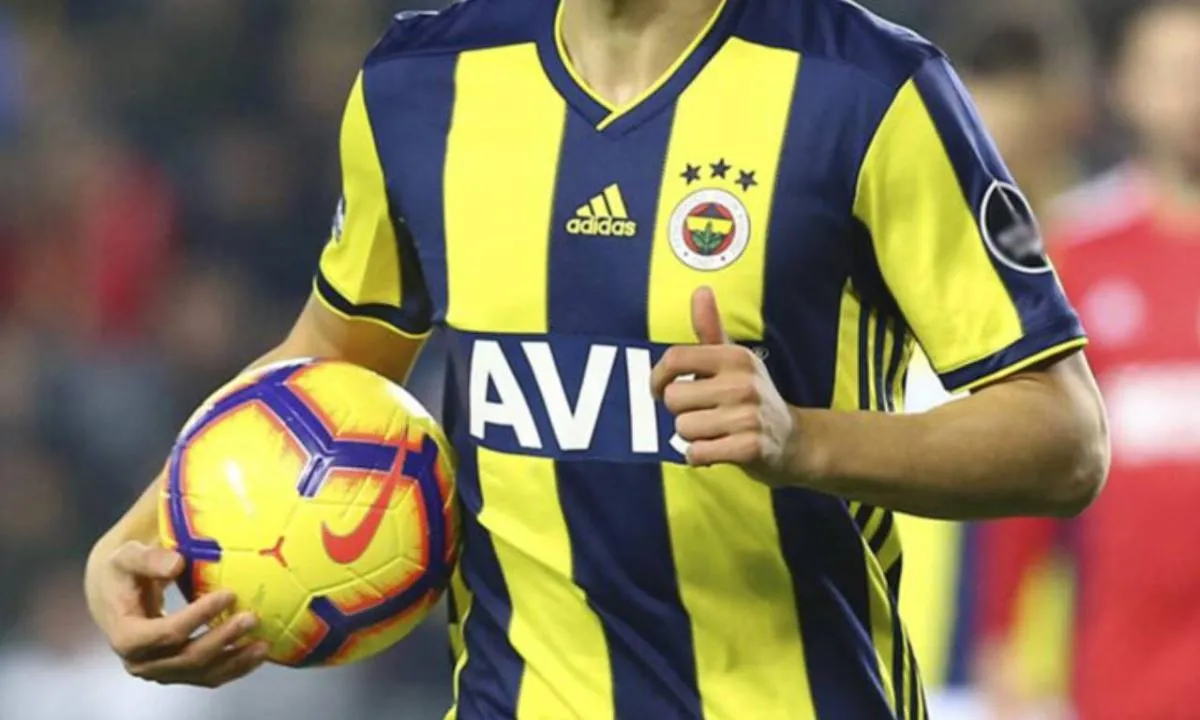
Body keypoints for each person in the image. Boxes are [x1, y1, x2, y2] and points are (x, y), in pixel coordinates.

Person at [83, 0, 1110, 718]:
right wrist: (134, 545)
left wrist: (804, 440)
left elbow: (1064, 441)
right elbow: (327, 365)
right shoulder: (420, 85)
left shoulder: (869, 89)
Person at [977, 2, 1200, 718]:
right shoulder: (1074, 251)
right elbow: (1034, 456)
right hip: (1121, 670)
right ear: (1125, 87)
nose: (1193, 95)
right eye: (1174, 73)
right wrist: (1001, 632)